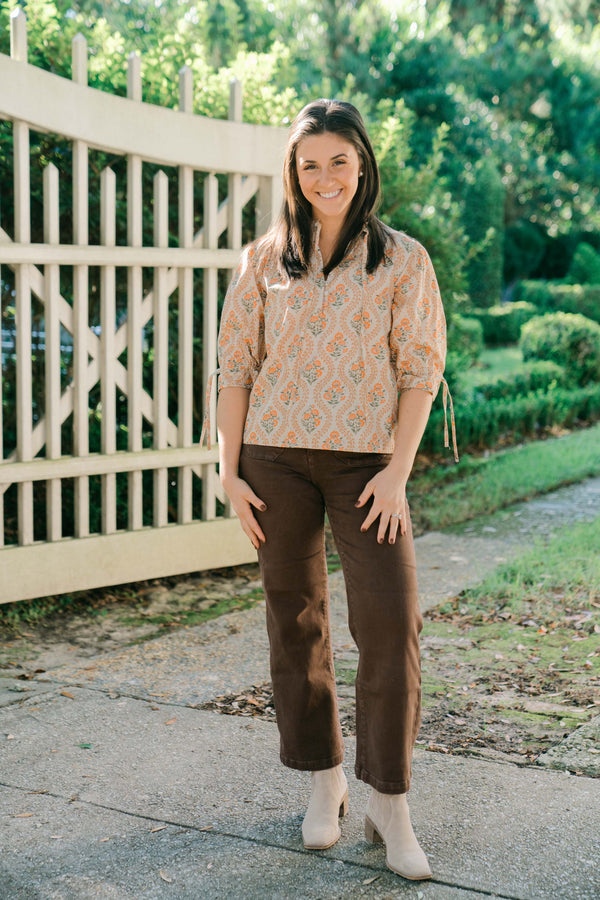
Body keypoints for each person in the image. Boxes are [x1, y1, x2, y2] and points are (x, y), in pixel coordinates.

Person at [215, 98, 455, 882]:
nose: (325, 177)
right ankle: (326, 781)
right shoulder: (261, 260)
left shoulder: (403, 261)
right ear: (293, 170)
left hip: (366, 467)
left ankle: (391, 799)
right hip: (274, 460)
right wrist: (227, 467)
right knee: (297, 620)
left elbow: (421, 371)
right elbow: (236, 367)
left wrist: (397, 470)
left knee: (390, 625)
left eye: (339, 162)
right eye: (310, 163)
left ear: (363, 167)